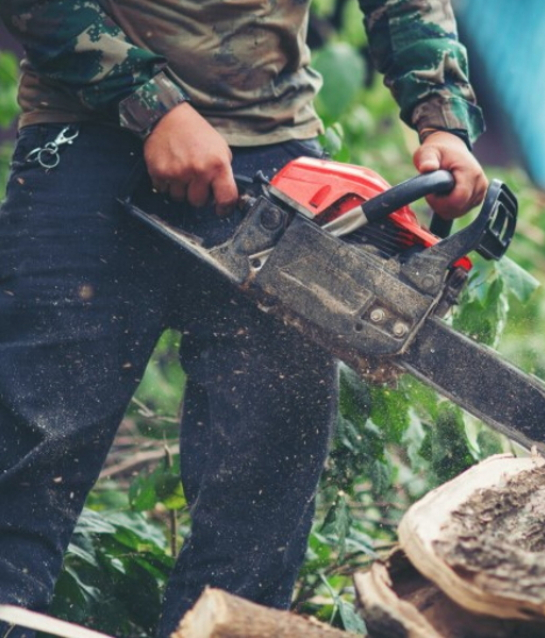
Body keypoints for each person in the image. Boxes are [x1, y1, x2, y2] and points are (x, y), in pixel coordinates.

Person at [0, 1, 487, 636]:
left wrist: (443, 119)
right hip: (86, 144)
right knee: (26, 466)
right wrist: (152, 105)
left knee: (260, 504)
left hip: (276, 162)